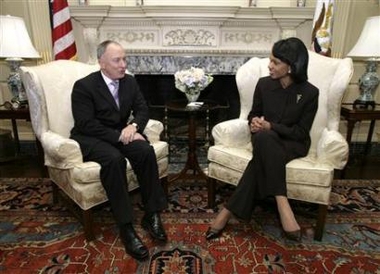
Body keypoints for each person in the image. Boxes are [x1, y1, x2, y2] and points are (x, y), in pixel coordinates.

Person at [205, 37, 319, 242]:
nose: (270, 65)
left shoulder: (310, 93)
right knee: (265, 138)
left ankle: (227, 212)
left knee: (263, 147)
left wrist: (270, 126)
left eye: (276, 62)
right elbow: (253, 114)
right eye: (270, 60)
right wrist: (254, 122)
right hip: (264, 140)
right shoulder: (264, 84)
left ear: (292, 66)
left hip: (293, 144)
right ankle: (282, 203)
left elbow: (301, 133)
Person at [70, 40, 168, 260]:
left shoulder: (130, 82)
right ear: (102, 63)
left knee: (145, 150)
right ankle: (126, 226)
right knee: (114, 160)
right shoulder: (84, 86)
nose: (123, 64)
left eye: (125, 59)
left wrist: (133, 127)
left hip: (121, 132)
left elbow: (142, 109)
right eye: (117, 60)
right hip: (91, 137)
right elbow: (85, 123)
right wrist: (119, 136)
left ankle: (151, 213)